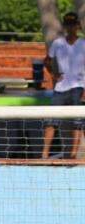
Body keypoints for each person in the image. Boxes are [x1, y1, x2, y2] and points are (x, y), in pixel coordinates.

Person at [43, 12, 85, 159]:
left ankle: (73, 154)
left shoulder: (83, 44)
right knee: (51, 120)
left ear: (78, 26)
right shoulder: (58, 43)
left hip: (78, 86)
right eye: (68, 24)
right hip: (60, 87)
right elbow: (47, 60)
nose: (70, 27)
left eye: (73, 24)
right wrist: (53, 74)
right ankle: (44, 155)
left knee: (77, 121)